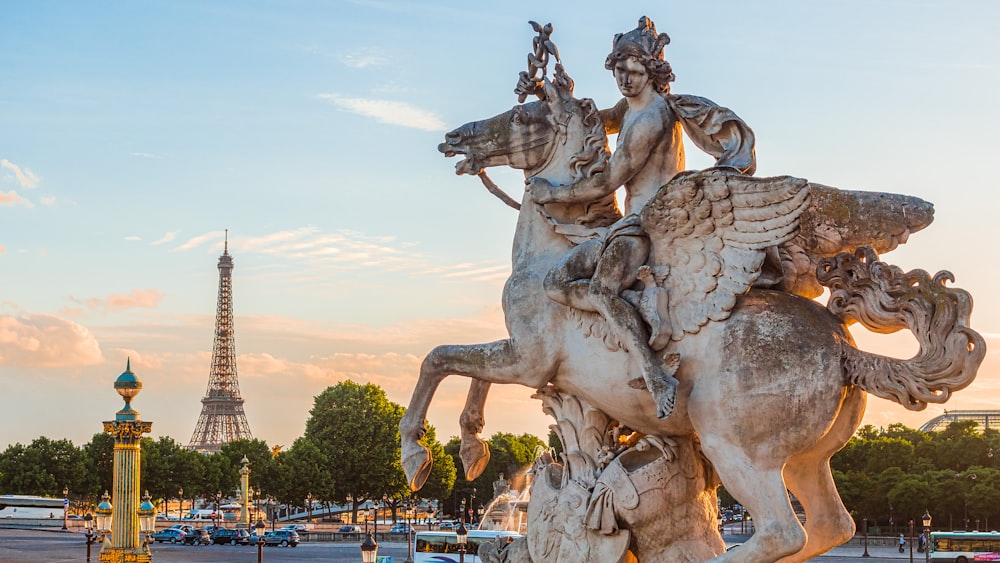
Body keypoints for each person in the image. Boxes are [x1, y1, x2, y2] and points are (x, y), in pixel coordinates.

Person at [524, 16, 756, 418]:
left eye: (634, 72)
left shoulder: (651, 117)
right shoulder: (632, 106)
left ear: (652, 72)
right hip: (625, 225)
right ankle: (637, 309)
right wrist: (553, 96)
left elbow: (609, 181)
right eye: (619, 71)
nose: (626, 80)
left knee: (599, 290)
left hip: (647, 225)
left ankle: (654, 374)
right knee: (554, 282)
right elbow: (600, 120)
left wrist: (554, 192)